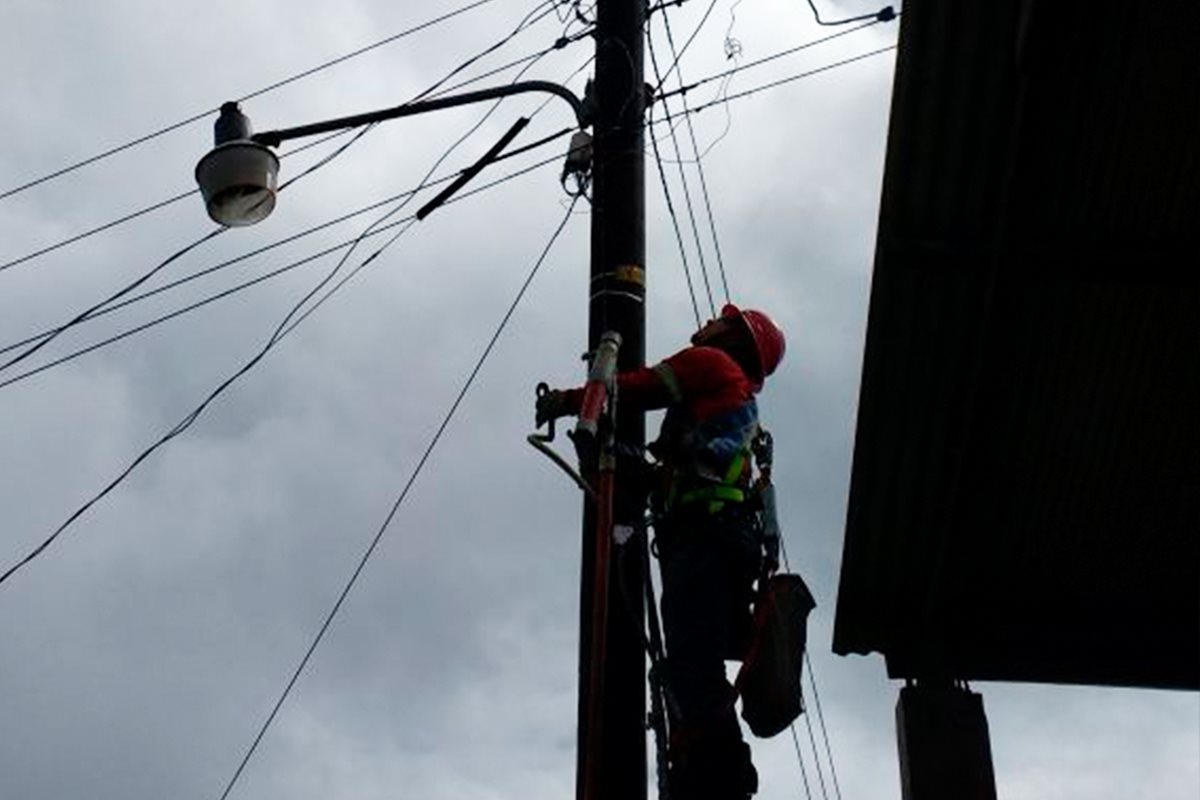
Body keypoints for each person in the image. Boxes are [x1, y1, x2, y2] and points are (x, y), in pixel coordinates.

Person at [536, 303, 786, 800]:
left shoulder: (713, 364)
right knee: (695, 662)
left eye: (725, 320)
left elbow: (637, 387)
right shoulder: (727, 406)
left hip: (705, 534)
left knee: (693, 662)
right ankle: (706, 770)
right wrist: (626, 462)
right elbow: (670, 472)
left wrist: (569, 400)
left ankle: (720, 778)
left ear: (736, 338)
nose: (712, 322)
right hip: (723, 535)